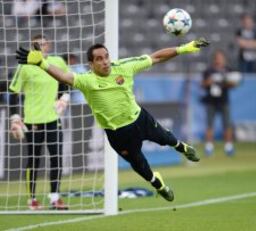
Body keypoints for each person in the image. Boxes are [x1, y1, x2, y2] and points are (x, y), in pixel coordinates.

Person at [15, 38, 209, 202]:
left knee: (166, 138)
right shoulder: (86, 80)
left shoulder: (124, 67)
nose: (105, 61)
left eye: (106, 56)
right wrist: (42, 63)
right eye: (99, 59)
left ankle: (182, 147)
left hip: (139, 119)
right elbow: (63, 76)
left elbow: (156, 56)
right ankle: (158, 184)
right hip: (117, 133)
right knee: (140, 165)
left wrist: (184, 48)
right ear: (91, 64)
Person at [9, 34, 70, 210]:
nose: (41, 47)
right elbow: (14, 92)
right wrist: (15, 118)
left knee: (56, 157)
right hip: (32, 121)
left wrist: (63, 98)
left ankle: (54, 197)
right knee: (34, 160)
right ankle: (32, 199)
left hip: (53, 119)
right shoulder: (25, 66)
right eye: (37, 44)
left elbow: (65, 81)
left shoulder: (58, 61)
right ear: (32, 46)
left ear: (48, 46)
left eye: (43, 44)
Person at [201, 50, 237, 156]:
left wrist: (225, 80)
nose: (219, 60)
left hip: (224, 100)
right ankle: (209, 147)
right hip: (211, 101)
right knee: (209, 125)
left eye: (221, 58)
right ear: (214, 59)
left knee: (227, 125)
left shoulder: (228, 70)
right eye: (217, 58)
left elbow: (233, 84)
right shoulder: (209, 71)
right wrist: (210, 81)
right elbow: (203, 84)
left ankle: (228, 147)